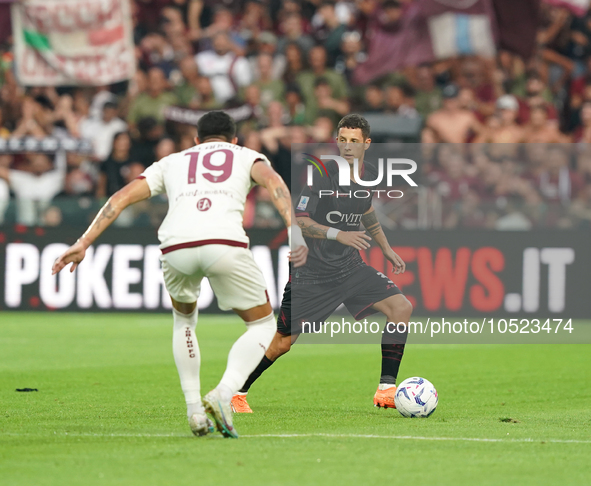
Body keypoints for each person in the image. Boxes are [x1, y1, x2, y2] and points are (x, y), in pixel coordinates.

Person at [52, 111, 308, 438]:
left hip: (175, 246)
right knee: (262, 325)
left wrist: (83, 241)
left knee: (184, 321)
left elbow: (120, 198)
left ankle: (194, 413)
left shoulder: (172, 161)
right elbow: (275, 184)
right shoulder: (246, 156)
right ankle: (224, 393)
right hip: (223, 243)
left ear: (196, 141)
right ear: (234, 140)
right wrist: (294, 233)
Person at [231, 114, 413, 413]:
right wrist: (338, 234)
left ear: (367, 143)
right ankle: (236, 390)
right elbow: (301, 220)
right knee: (283, 344)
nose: (347, 146)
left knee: (401, 307)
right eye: (342, 140)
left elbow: (366, 211)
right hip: (312, 273)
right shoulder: (323, 174)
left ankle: (386, 389)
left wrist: (386, 248)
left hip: (350, 268)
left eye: (354, 141)